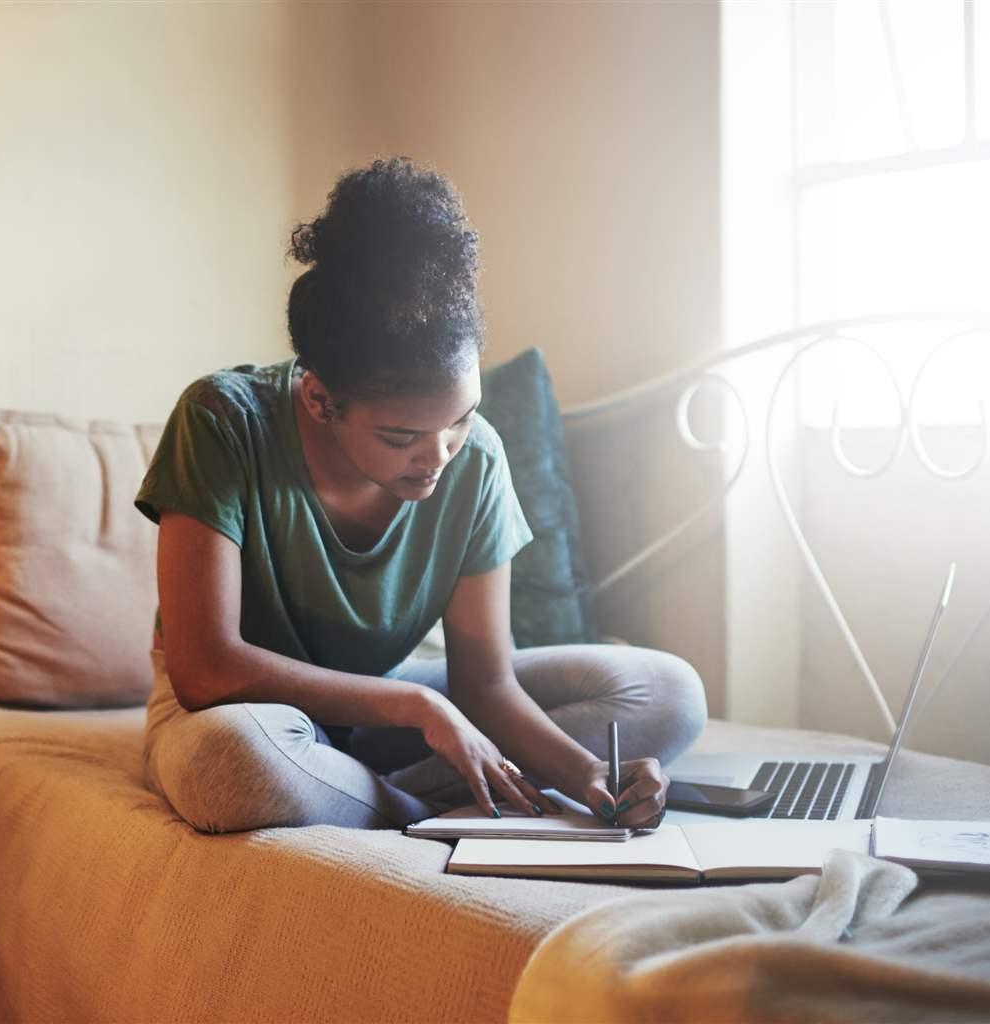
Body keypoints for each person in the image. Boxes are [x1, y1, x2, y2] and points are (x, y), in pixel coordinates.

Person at [134, 158, 706, 833]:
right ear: (320, 399)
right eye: (402, 433)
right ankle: (420, 808)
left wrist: (591, 779)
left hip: (383, 721)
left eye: (460, 420)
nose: (437, 456)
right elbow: (204, 669)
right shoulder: (223, 422)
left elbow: (485, 687)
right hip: (242, 714)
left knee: (670, 693)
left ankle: (360, 794)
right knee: (234, 768)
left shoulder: (479, 459)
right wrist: (415, 707)